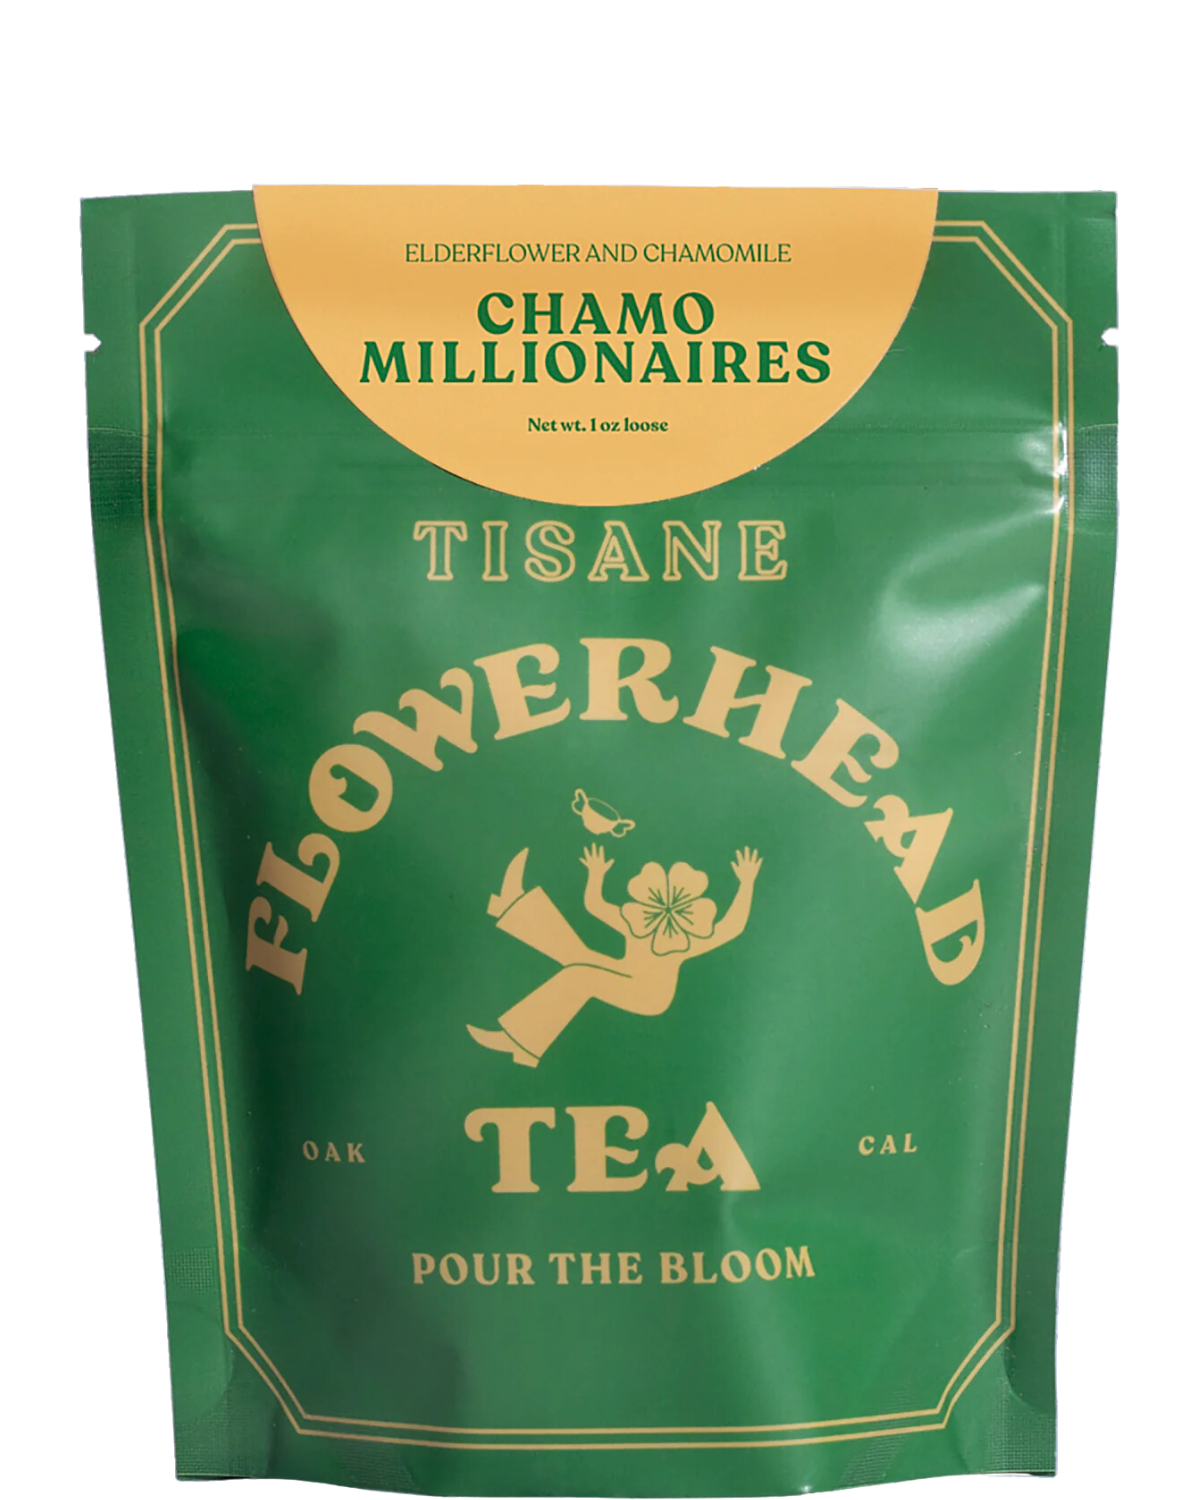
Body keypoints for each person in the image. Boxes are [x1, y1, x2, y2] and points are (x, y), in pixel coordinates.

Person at [467, 843, 763, 1067]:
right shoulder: (635, 920)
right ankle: (512, 905)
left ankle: (520, 1041)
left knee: (579, 976)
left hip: (649, 997)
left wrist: (747, 884)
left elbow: (732, 928)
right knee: (577, 956)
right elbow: (595, 906)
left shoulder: (686, 939)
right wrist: (596, 874)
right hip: (626, 979)